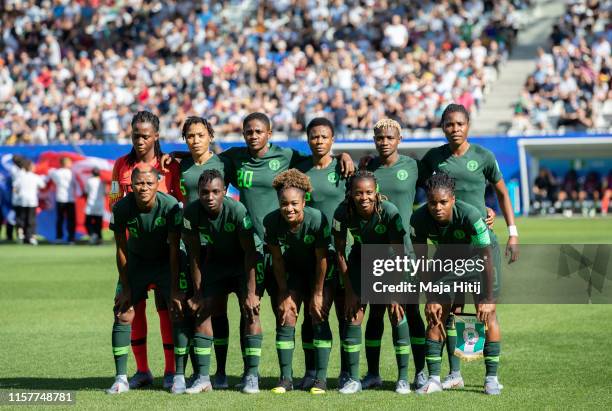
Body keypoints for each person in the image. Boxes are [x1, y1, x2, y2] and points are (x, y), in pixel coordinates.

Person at [215, 112, 354, 391]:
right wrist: (175, 154)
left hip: (316, 250)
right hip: (258, 251)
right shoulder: (236, 158)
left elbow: (322, 154)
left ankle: (330, 374)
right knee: (263, 311)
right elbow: (205, 156)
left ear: (269, 133)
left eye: (258, 131)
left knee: (327, 311)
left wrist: (344, 155)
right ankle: (255, 374)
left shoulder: (289, 157)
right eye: (248, 131)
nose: (253, 136)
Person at [419, 103, 518, 390]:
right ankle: (453, 374)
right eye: (449, 124)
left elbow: (501, 193)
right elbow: (408, 176)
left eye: (459, 124)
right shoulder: (433, 158)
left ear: (468, 126)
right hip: (448, 248)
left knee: (486, 309)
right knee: (448, 310)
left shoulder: (484, 157)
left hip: (479, 244)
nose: (455, 129)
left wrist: (512, 232)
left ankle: (491, 378)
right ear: (442, 127)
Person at [411, 173, 502, 395]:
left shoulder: (471, 215)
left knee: (488, 315)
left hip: (480, 259)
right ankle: (433, 379)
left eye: (443, 202)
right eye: (432, 202)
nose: (437, 207)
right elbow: (421, 260)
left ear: (453, 199)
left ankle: (491, 378)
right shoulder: (419, 219)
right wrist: (430, 296)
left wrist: (487, 298)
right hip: (448, 257)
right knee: (435, 313)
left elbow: (486, 257)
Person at [108, 111, 181, 390]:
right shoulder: (120, 167)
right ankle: (141, 371)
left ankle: (172, 371)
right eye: (136, 135)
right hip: (134, 252)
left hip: (166, 250)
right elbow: (113, 200)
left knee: (167, 310)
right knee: (130, 308)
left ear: (156, 136)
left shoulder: (170, 166)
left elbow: (180, 200)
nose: (140, 140)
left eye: (145, 135)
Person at [332, 171, 412, 395]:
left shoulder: (389, 211)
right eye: (358, 193)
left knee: (396, 313)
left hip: (390, 262)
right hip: (361, 259)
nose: (364, 197)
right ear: (351, 194)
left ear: (376, 192)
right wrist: (350, 290)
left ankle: (403, 379)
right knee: (355, 314)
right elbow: (339, 252)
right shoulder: (342, 212)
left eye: (368, 192)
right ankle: (355, 379)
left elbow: (399, 252)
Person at [179, 169, 259, 394]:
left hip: (242, 265)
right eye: (205, 192)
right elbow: (194, 255)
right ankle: (205, 378)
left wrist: (252, 292)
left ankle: (251, 375)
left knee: (251, 312)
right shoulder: (191, 213)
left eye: (216, 191)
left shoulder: (237, 210)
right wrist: (197, 292)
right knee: (204, 310)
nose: (210, 197)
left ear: (225, 191)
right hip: (214, 264)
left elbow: (250, 252)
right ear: (198, 193)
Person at [362, 118, 427, 389]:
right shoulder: (367, 169)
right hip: (375, 252)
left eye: (389, 138)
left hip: (406, 250)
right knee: (376, 313)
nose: (384, 142)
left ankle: (420, 372)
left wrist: (483, 210)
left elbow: (441, 190)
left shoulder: (413, 167)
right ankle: (373, 373)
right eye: (379, 138)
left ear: (399, 139)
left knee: (410, 311)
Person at [172, 116, 232, 389]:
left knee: (217, 309)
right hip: (189, 244)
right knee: (191, 308)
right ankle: (198, 373)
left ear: (210, 135)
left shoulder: (223, 163)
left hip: (218, 245)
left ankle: (220, 371)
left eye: (200, 135)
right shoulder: (179, 164)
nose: (195, 140)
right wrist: (176, 154)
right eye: (190, 136)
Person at [264, 169, 334, 395]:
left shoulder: (317, 219)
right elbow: (276, 258)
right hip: (293, 272)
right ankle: (286, 379)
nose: (289, 208)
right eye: (284, 204)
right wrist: (284, 293)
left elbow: (322, 259)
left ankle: (320, 380)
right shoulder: (272, 221)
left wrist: (318, 293)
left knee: (317, 315)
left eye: (294, 203)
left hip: (320, 273)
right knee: (287, 316)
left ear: (304, 202)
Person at [295, 118, 350, 388]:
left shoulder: (343, 169)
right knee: (312, 314)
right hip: (310, 254)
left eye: (324, 137)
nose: (319, 141)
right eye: (314, 137)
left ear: (332, 140)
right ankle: (311, 371)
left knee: (343, 313)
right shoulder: (299, 170)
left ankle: (345, 372)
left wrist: (345, 156)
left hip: (340, 252)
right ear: (307, 139)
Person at [13, 159, 46, 245]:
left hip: (22, 200)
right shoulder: (35, 177)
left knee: (21, 219)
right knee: (31, 219)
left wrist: (19, 193)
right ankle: (31, 237)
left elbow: (15, 188)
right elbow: (43, 185)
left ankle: (21, 235)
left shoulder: (21, 177)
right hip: (32, 200)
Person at [48, 157, 78, 243]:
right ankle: (71, 238)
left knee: (60, 219)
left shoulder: (56, 173)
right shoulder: (72, 173)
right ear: (66, 163)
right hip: (70, 199)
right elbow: (76, 185)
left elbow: (50, 172)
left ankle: (59, 237)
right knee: (70, 220)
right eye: (70, 163)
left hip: (61, 198)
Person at [84, 167, 106, 244]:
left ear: (92, 173)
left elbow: (86, 192)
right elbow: (105, 193)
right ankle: (99, 238)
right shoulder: (102, 181)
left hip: (90, 204)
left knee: (87, 223)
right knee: (98, 224)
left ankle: (93, 234)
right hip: (100, 205)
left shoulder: (89, 181)